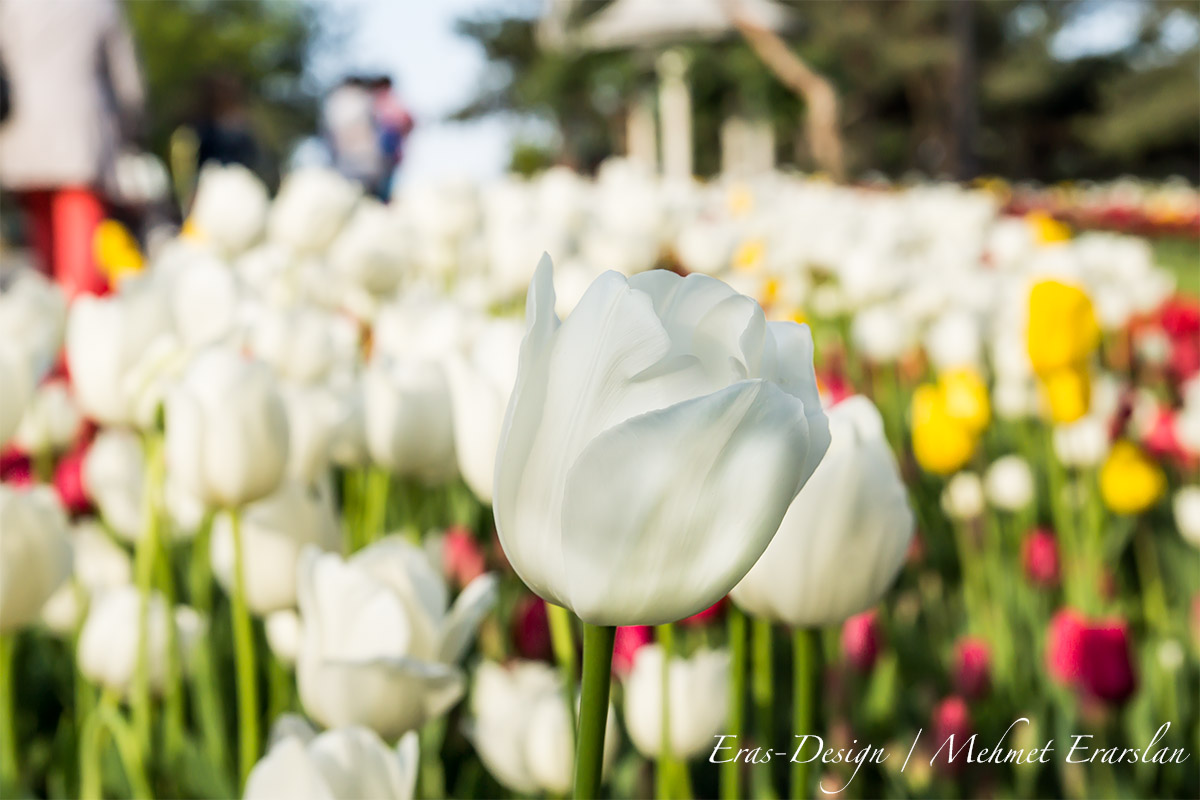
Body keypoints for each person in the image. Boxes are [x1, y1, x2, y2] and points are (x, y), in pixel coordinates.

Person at [0, 0, 145, 300]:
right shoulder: (100, 5)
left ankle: (49, 321)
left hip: (23, 130)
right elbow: (127, 80)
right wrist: (134, 127)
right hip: (81, 127)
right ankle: (78, 319)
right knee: (81, 232)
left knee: (43, 237)